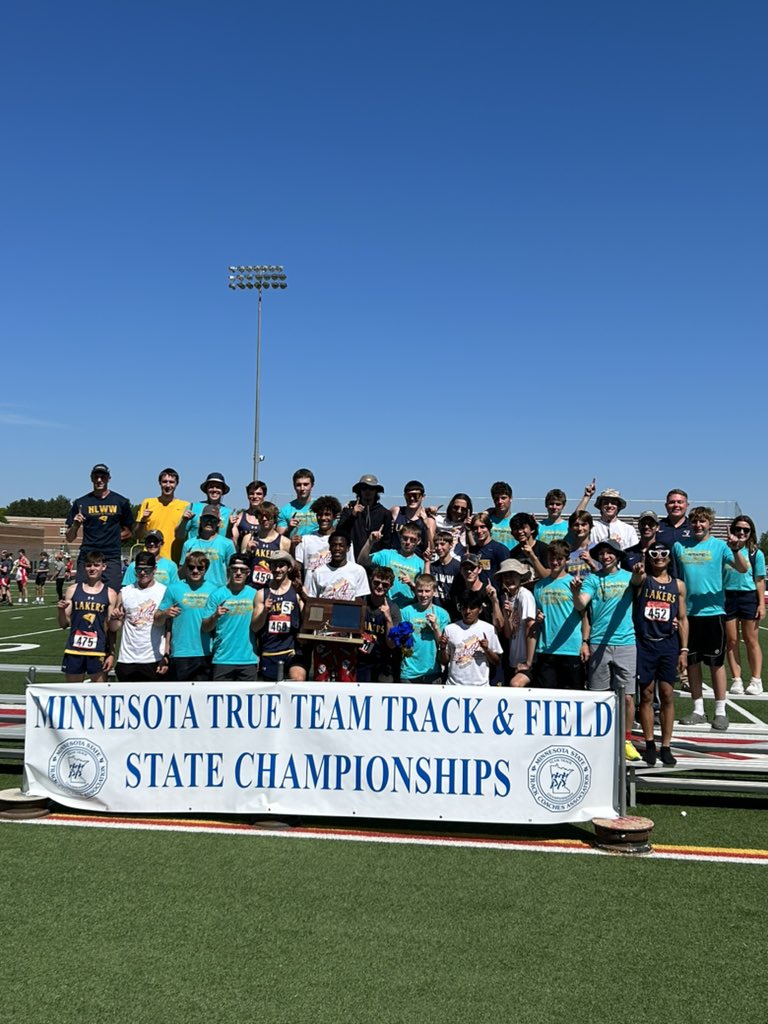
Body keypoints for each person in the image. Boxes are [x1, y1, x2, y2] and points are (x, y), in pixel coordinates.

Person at [674, 507, 749, 730]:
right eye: (695, 521)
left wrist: (736, 550)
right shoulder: (679, 546)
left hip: (713, 613)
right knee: (693, 663)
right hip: (688, 615)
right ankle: (698, 710)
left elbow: (743, 568)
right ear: (690, 523)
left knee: (716, 663)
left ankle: (720, 711)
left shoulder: (721, 546)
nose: (698, 525)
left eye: (703, 522)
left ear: (710, 523)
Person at [571, 538, 645, 760]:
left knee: (628, 697)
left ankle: (626, 740)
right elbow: (582, 604)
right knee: (598, 696)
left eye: (609, 552)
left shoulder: (627, 576)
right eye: (601, 553)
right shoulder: (592, 579)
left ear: (618, 555)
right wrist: (575, 592)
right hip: (598, 642)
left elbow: (638, 580)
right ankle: (601, 740)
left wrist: (640, 572)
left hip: (626, 643)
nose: (605, 556)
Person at [633, 542, 688, 766]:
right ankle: (649, 744)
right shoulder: (644, 579)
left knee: (666, 694)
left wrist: (683, 650)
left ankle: (666, 745)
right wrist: (638, 572)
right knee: (646, 695)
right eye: (654, 554)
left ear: (669, 558)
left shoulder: (679, 585)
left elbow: (683, 618)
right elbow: (635, 582)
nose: (659, 557)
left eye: (663, 554)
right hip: (644, 644)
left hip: (668, 644)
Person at [303, 532, 370, 681]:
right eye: (334, 545)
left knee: (346, 679)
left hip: (348, 635)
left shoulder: (358, 571)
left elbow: (360, 603)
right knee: (321, 678)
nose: (337, 548)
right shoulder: (318, 572)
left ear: (347, 548)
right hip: (323, 634)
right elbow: (314, 603)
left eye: (341, 545)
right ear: (329, 547)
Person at [65, 464, 134, 590]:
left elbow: (129, 532)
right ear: (91, 478)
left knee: (112, 596)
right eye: (96, 477)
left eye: (103, 477)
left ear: (109, 478)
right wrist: (75, 525)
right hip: (88, 555)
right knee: (80, 595)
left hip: (111, 556)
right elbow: (69, 537)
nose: (99, 480)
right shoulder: (81, 503)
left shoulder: (121, 502)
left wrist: (112, 538)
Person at [533, 541, 589, 689]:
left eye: (559, 559)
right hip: (546, 649)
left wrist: (584, 643)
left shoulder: (575, 583)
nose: (555, 562)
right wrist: (537, 616)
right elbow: (538, 613)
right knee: (547, 698)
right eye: (552, 558)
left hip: (571, 648)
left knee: (574, 697)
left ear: (567, 560)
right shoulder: (539, 586)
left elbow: (585, 617)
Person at [58, 550, 119, 682]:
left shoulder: (110, 593)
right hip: (74, 649)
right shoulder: (73, 589)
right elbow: (63, 624)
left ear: (103, 567)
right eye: (89, 565)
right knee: (73, 693)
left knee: (98, 694)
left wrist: (117, 618)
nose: (92, 569)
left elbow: (113, 628)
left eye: (96, 565)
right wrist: (61, 611)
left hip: (98, 650)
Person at [155, 551, 215, 681]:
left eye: (200, 568)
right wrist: (165, 614)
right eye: (191, 567)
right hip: (180, 652)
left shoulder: (214, 589)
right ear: (185, 568)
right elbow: (157, 619)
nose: (195, 571)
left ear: (206, 569)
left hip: (206, 652)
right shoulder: (173, 588)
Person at [111, 551, 169, 682]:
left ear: (155, 569)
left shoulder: (163, 592)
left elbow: (169, 629)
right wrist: (115, 618)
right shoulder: (125, 592)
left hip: (153, 658)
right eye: (139, 569)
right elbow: (115, 628)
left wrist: (166, 656)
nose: (142, 573)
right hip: (127, 658)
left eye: (147, 569)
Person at [202, 553, 260, 681]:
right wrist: (215, 616)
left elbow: (259, 627)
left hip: (248, 659)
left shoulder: (255, 594)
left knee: (248, 700)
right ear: (229, 571)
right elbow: (205, 628)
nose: (238, 573)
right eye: (234, 569)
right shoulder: (217, 595)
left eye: (243, 570)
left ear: (248, 573)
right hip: (222, 659)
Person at [724, 515, 765, 696]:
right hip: (727, 596)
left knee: (751, 640)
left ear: (751, 533)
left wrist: (761, 604)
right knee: (731, 641)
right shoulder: (724, 550)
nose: (741, 533)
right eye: (737, 529)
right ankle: (737, 680)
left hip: (748, 597)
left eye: (745, 530)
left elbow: (759, 580)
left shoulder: (756, 553)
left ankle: (756, 680)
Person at [251, 551, 306, 681]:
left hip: (292, 650)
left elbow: (307, 618)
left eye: (281, 566)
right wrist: (265, 611)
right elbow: (254, 627)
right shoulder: (261, 593)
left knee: (298, 679)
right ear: (269, 568)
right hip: (269, 650)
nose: (278, 569)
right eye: (274, 566)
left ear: (289, 568)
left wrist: (303, 595)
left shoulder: (297, 590)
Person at [440, 591, 502, 687]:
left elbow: (496, 661)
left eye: (472, 608)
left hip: (480, 687)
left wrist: (487, 649)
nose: (468, 611)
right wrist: (443, 648)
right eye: (464, 608)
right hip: (454, 686)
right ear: (459, 608)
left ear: (480, 609)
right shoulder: (450, 629)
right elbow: (444, 661)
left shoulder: (489, 629)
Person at [359, 522, 425, 608]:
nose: (408, 542)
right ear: (400, 537)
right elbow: (362, 561)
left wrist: (411, 584)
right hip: (384, 606)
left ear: (418, 541)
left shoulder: (421, 564)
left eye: (412, 539)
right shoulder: (386, 554)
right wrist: (370, 542)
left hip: (408, 609)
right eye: (405, 538)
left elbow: (424, 592)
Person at [399, 575, 450, 685]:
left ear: (434, 591)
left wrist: (435, 627)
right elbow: (401, 642)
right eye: (420, 591)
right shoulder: (406, 612)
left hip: (432, 671)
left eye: (427, 591)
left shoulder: (442, 614)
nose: (423, 595)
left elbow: (443, 645)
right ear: (415, 591)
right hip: (409, 671)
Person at [357, 565, 401, 683]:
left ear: (390, 586)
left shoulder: (394, 609)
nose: (380, 587)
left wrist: (388, 619)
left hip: (384, 662)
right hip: (361, 660)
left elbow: (392, 644)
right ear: (370, 581)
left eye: (385, 585)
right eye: (376, 582)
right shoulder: (360, 603)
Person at [496, 559, 536, 686]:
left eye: (513, 575)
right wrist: (507, 616)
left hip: (527, 659)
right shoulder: (510, 598)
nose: (509, 579)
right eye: (506, 576)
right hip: (514, 659)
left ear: (520, 576)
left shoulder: (525, 595)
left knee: (515, 684)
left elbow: (531, 626)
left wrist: (528, 662)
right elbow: (508, 634)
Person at [135, 468, 188, 562]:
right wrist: (143, 520)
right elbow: (138, 535)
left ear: (177, 484)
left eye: (171, 482)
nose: (168, 485)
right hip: (150, 558)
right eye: (164, 482)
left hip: (174, 559)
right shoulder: (148, 503)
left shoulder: (185, 506)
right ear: (159, 483)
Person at [179, 505, 236, 589]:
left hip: (217, 591)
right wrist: (186, 563)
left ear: (219, 523)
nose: (209, 522)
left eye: (213, 520)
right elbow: (180, 575)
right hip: (193, 591)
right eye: (206, 519)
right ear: (200, 520)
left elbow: (233, 571)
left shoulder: (227, 544)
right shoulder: (189, 544)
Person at [337, 474, 393, 557]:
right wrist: (353, 515)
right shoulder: (348, 509)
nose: (368, 491)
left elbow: (387, 542)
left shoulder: (385, 513)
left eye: (371, 488)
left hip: (375, 561)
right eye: (364, 488)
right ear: (359, 490)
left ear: (376, 491)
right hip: (352, 560)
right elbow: (339, 532)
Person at [239, 501, 291, 589]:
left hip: (272, 589)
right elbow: (240, 564)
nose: (264, 519)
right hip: (250, 588)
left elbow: (287, 570)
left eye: (268, 516)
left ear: (274, 518)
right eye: (260, 516)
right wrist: (247, 551)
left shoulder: (284, 542)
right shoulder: (248, 538)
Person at [176, 472, 233, 543]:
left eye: (218, 487)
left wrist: (231, 526)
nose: (214, 490)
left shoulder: (229, 513)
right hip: (193, 552)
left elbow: (232, 542)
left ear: (223, 491)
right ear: (206, 490)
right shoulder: (193, 507)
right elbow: (179, 536)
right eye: (211, 487)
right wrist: (184, 521)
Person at [296, 496, 347, 576]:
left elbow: (349, 568)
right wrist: (293, 546)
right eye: (320, 514)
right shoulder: (305, 540)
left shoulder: (344, 540)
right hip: (310, 588)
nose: (323, 518)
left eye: (327, 514)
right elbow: (297, 568)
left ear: (334, 516)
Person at [390, 480, 435, 554]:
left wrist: (427, 527)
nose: (412, 499)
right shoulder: (396, 511)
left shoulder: (429, 520)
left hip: (415, 561)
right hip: (395, 559)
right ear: (404, 496)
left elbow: (431, 548)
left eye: (416, 495)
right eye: (408, 496)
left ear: (423, 497)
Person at [277, 468, 318, 540]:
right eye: (298, 485)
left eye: (306, 484)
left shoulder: (321, 507)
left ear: (312, 485)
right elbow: (278, 538)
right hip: (293, 549)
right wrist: (289, 528)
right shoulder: (285, 510)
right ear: (294, 486)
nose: (302, 488)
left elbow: (332, 530)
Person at [427, 529, 462, 610]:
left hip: (453, 609)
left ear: (450, 545)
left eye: (442, 544)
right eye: (436, 545)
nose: (439, 548)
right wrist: (427, 561)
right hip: (436, 608)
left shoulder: (458, 566)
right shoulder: (433, 566)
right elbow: (427, 582)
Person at [230, 480, 269, 551]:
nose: (255, 496)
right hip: (243, 558)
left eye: (259, 494)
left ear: (264, 496)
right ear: (247, 495)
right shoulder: (240, 517)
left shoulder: (269, 518)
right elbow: (233, 542)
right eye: (251, 493)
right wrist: (230, 527)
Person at [433, 493, 472, 558]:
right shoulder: (440, 521)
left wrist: (468, 529)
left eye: (463, 509)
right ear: (450, 507)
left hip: (460, 564)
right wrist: (428, 510)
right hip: (441, 563)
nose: (459, 511)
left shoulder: (471, 525)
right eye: (456, 507)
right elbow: (419, 514)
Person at [566, 510, 598, 580]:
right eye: (576, 525)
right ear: (570, 528)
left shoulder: (597, 549)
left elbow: (603, 576)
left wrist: (591, 563)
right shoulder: (566, 551)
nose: (580, 528)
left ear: (591, 527)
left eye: (583, 524)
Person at [487, 481, 514, 548]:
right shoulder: (487, 520)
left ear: (511, 499)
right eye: (496, 499)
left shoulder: (518, 520)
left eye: (503, 498)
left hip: (513, 558)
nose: (500, 502)